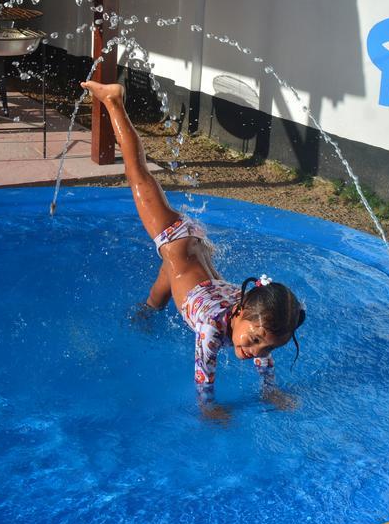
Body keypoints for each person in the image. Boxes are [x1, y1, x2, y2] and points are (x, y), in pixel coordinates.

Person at [82, 80, 305, 419]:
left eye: (266, 346)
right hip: (175, 240)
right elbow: (204, 373)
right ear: (242, 310)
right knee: (137, 172)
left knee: (172, 274)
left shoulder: (255, 318)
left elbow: (263, 349)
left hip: (191, 252)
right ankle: (114, 101)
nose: (254, 350)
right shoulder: (213, 328)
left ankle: (148, 309)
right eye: (256, 339)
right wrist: (209, 407)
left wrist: (269, 390)